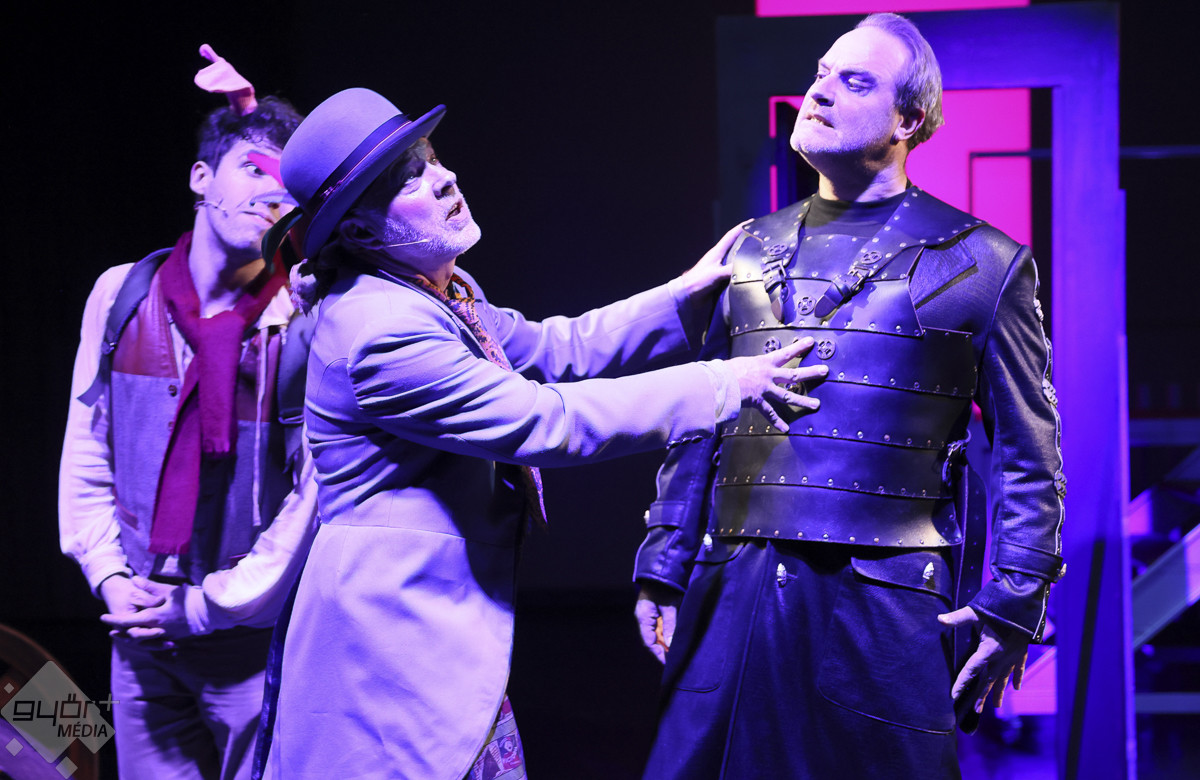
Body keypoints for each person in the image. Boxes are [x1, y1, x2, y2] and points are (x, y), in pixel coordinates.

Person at [259, 87, 828, 780]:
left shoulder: (433, 290)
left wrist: (683, 296)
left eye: (432, 158)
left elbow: (552, 348)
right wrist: (722, 386)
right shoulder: (378, 330)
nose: (444, 180)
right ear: (360, 233)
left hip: (433, 630)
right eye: (409, 180)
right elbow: (541, 419)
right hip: (385, 643)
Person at [632, 13, 1066, 778]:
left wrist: (1014, 603)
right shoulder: (745, 249)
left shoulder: (983, 263)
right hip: (736, 586)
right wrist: (663, 560)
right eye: (822, 73)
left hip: (885, 608)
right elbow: (700, 420)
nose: (821, 91)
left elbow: (1030, 456)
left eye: (855, 81)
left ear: (910, 119)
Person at [58, 47, 318, 780]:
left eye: (287, 185)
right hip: (139, 631)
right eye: (253, 171)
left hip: (250, 638)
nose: (271, 194)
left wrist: (209, 608)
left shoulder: (302, 320)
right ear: (201, 179)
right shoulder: (122, 294)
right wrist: (111, 577)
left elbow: (312, 496)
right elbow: (88, 450)